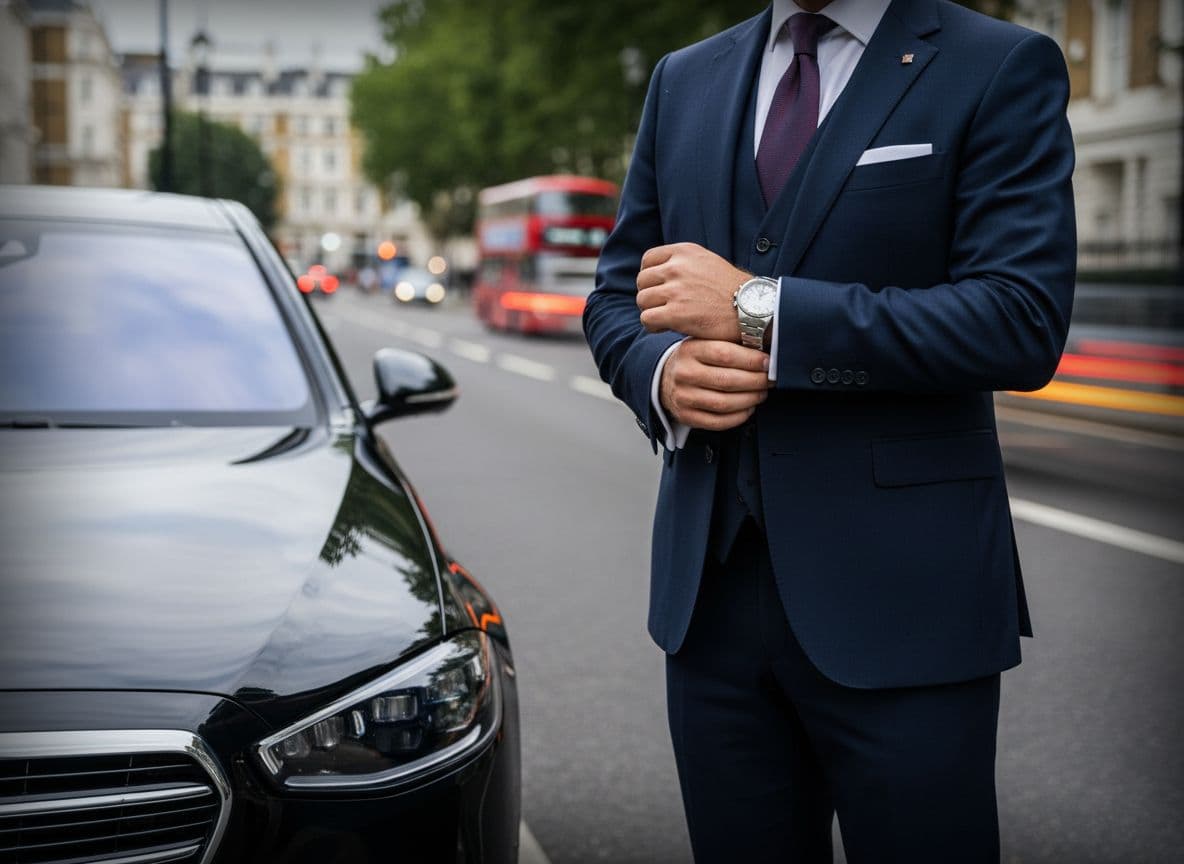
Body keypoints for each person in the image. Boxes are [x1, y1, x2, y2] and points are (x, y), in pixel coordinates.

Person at [583, 0, 1075, 861]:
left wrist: (760, 311)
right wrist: (659, 372)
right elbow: (618, 296)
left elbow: (1019, 318)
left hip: (907, 609)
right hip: (708, 606)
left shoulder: (999, 64)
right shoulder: (683, 78)